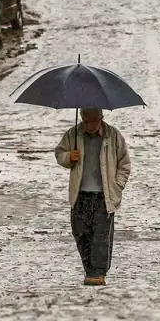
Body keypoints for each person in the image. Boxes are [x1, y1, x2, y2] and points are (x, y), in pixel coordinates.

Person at [54, 109, 131, 286]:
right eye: (85, 121)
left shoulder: (113, 136)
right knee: (80, 231)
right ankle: (89, 268)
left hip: (104, 195)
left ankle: (98, 272)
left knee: (100, 235)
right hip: (80, 194)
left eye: (92, 121)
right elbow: (59, 153)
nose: (88, 125)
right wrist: (69, 157)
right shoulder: (74, 134)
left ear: (101, 119)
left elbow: (124, 164)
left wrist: (117, 186)